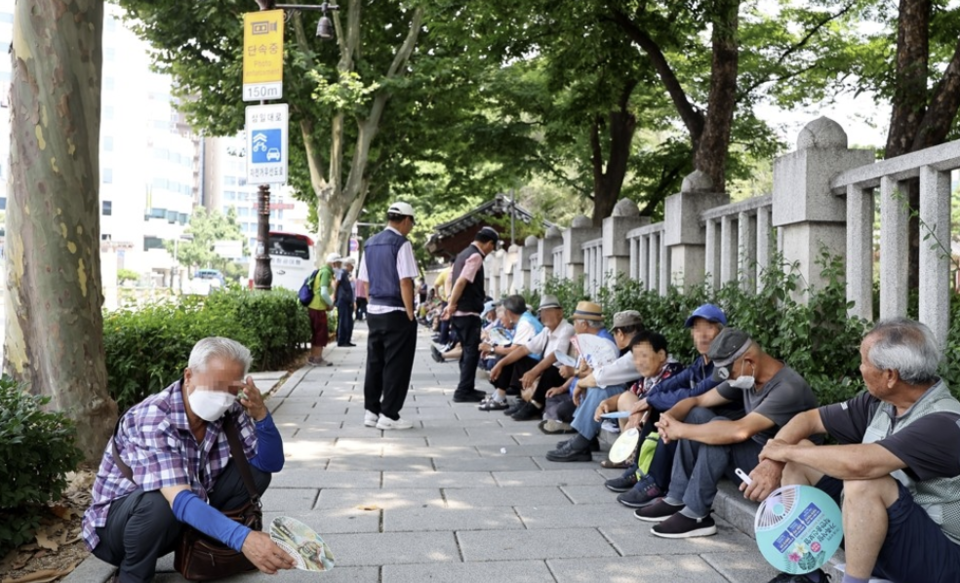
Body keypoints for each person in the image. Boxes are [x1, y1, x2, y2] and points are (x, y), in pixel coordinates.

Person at [744, 318, 960, 583]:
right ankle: (806, 575)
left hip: (938, 558)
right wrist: (773, 463)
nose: (860, 368)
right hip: (887, 529)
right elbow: (807, 420)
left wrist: (784, 452)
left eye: (864, 362)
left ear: (890, 375)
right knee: (800, 453)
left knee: (863, 481)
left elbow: (863, 465)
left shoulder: (944, 423)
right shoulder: (880, 402)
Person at [81, 337, 294, 582]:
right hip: (118, 530)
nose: (223, 397)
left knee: (254, 474)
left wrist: (261, 416)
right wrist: (244, 539)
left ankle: (206, 549)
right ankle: (133, 574)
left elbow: (270, 464)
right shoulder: (153, 418)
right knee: (159, 502)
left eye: (231, 389)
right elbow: (179, 499)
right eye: (215, 385)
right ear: (189, 376)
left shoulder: (230, 411)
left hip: (176, 519)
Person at [634, 327, 818, 538]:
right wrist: (671, 418)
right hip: (757, 456)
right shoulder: (747, 375)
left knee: (722, 430)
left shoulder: (787, 388)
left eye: (729, 371)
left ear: (749, 361)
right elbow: (698, 400)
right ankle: (676, 499)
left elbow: (739, 431)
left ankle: (696, 516)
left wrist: (681, 431)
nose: (728, 378)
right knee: (697, 414)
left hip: (781, 470)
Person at [609, 303, 730, 505]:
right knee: (660, 404)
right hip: (704, 427)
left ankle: (657, 482)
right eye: (696, 329)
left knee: (682, 411)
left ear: (722, 332)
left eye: (709, 327)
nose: (702, 335)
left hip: (722, 430)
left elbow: (695, 393)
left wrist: (650, 400)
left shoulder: (725, 364)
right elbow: (668, 385)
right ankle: (640, 469)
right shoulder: (701, 363)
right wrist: (647, 401)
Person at [546, 306, 641, 462]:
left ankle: (582, 441)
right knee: (597, 386)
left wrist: (579, 383)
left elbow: (604, 375)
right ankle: (586, 439)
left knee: (601, 389)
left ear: (620, 333)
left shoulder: (634, 354)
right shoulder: (632, 349)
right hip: (634, 394)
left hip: (639, 398)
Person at [357, 201, 419, 430]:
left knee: (375, 362)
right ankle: (389, 414)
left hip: (374, 309)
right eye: (412, 222)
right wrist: (410, 313)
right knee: (396, 364)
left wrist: (371, 304)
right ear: (405, 220)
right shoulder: (401, 244)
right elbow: (405, 281)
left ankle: (371, 411)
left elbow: (364, 282)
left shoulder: (370, 244)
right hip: (396, 311)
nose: (411, 227)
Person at [487, 294, 575, 419]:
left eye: (549, 311)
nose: (545, 315)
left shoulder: (566, 329)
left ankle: (535, 404)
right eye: (542, 312)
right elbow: (524, 348)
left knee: (552, 369)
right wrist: (500, 364)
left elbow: (556, 355)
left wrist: (534, 372)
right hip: (545, 369)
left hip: (562, 373)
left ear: (560, 312)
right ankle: (512, 398)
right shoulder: (546, 331)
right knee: (515, 359)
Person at [442, 226, 500, 403]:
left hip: (460, 312)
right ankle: (463, 391)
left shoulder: (462, 254)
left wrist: (450, 304)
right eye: (492, 247)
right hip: (467, 312)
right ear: (489, 243)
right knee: (471, 351)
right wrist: (451, 304)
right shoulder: (475, 256)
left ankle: (466, 387)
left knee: (467, 351)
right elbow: (460, 282)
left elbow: (451, 280)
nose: (491, 251)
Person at [484, 295, 545, 409]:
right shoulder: (524, 320)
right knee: (504, 358)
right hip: (534, 360)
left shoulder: (525, 323)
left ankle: (500, 398)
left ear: (508, 312)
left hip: (536, 363)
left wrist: (492, 349)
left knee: (507, 359)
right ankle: (498, 394)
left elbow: (516, 350)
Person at [306, 252, 340, 366]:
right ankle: (317, 358)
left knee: (316, 333)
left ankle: (313, 357)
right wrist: (331, 304)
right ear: (334, 263)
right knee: (321, 333)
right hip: (318, 307)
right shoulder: (326, 272)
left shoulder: (322, 270)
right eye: (339, 264)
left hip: (314, 306)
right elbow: (324, 292)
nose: (339, 267)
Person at [335, 257, 357, 347]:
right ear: (348, 265)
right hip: (343, 300)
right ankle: (342, 340)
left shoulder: (348, 274)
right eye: (352, 266)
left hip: (347, 301)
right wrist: (335, 296)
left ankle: (347, 340)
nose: (352, 268)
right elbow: (336, 283)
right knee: (344, 321)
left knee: (348, 322)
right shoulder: (342, 273)